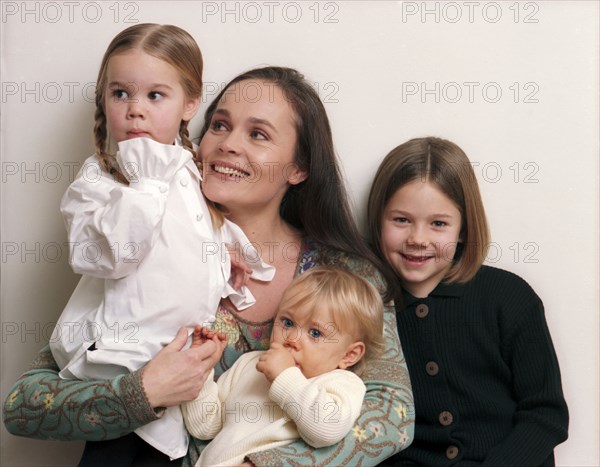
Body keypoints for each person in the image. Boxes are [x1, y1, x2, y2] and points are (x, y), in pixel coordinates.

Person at [3, 66, 415, 467]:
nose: (227, 144)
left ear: (298, 167)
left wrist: (262, 464)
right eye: (219, 125)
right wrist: (142, 393)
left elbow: (391, 417)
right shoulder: (142, 245)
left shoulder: (348, 277)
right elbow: (24, 406)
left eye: (258, 134)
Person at [49, 23, 275, 463]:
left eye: (155, 96)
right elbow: (109, 256)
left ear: (190, 103)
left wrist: (221, 255)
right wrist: (147, 182)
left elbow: (192, 230)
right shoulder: (98, 179)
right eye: (120, 94)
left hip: (178, 370)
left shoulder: (188, 169)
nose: (135, 110)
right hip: (122, 365)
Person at [367, 136, 569, 466]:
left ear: (463, 228)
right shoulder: (364, 306)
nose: (418, 239)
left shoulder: (510, 298)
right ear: (378, 219)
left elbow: (546, 415)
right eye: (401, 220)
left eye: (438, 224)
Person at [182, 267, 385, 466]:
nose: (292, 339)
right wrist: (203, 369)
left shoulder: (342, 383)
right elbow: (205, 427)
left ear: (349, 355)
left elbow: (326, 429)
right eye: (287, 323)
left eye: (315, 333)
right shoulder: (251, 364)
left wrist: (285, 376)